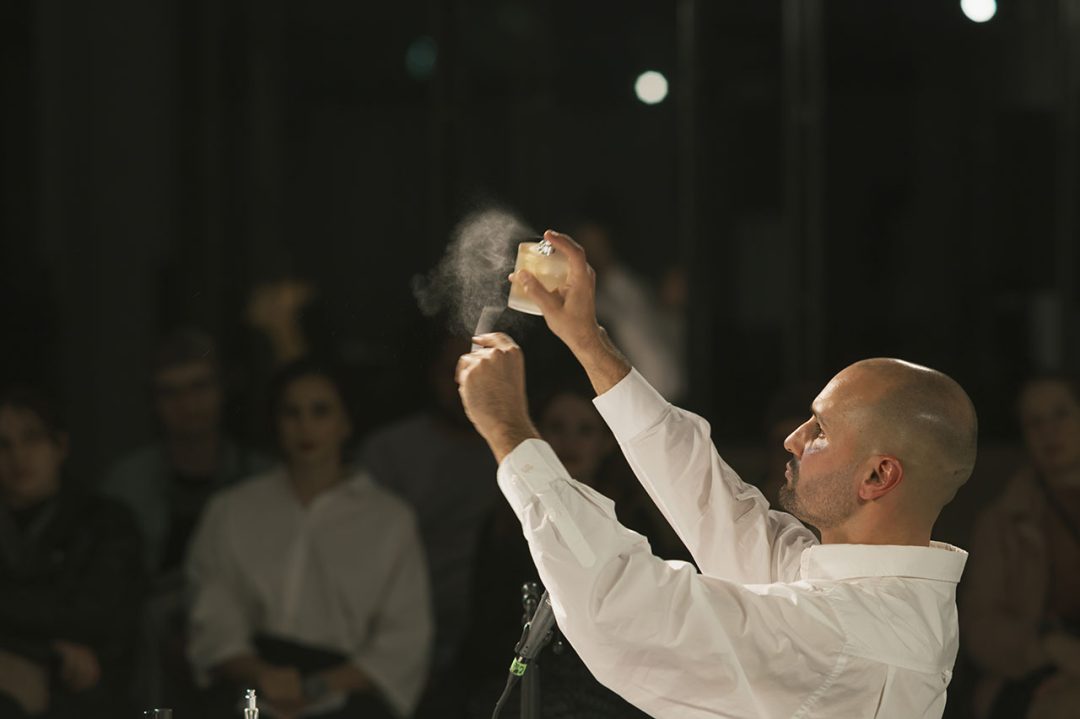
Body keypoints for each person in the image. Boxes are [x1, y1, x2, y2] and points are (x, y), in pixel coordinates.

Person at [455, 230, 978, 718]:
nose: (792, 439)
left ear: (878, 477)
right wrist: (588, 341)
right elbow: (715, 504)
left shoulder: (850, 637)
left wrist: (508, 428)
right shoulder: (862, 590)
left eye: (819, 430)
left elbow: (621, 608)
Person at [186, 358, 432, 719]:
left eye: (320, 412)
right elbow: (214, 617)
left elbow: (403, 640)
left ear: (345, 422)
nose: (305, 427)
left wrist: (319, 686)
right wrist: (260, 674)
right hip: (251, 685)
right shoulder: (232, 510)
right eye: (292, 413)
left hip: (347, 692)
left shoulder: (390, 520)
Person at [463, 376, 682, 719]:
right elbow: (487, 624)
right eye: (557, 427)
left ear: (605, 443)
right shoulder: (507, 522)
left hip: (612, 679)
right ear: (539, 435)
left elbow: (650, 618)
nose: (570, 442)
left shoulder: (633, 520)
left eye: (585, 430)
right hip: (525, 672)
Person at [361, 330, 499, 719]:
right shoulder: (390, 452)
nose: (461, 385)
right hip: (395, 633)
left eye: (474, 370)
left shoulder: (511, 451)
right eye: (450, 372)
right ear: (432, 373)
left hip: (489, 640)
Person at [0, 386, 144, 718]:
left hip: (86, 693)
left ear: (60, 446)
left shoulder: (106, 522)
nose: (18, 457)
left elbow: (93, 617)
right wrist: (47, 649)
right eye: (3, 445)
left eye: (31, 439)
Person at [962, 374, 1080, 719]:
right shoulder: (1004, 521)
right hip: (1032, 672)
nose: (1049, 432)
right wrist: (1046, 648)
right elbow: (979, 627)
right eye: (1035, 422)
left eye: (1060, 414)